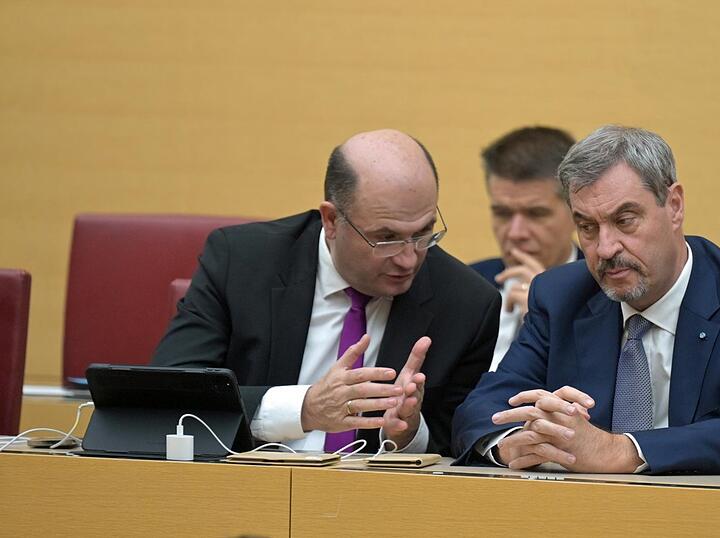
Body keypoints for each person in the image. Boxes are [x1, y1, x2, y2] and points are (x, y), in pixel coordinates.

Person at [452, 125, 720, 475]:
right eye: (586, 227)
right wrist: (512, 446)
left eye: (625, 220)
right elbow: (483, 407)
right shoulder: (561, 295)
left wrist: (623, 451)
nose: (605, 248)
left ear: (674, 206)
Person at [153, 129, 500, 456]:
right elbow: (171, 394)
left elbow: (459, 440)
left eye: (424, 233)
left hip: (379, 505)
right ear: (332, 221)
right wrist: (304, 409)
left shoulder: (467, 302)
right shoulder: (241, 262)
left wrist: (407, 433)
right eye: (387, 238)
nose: (409, 258)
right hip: (243, 490)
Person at [470, 127, 581, 370]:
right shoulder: (466, 288)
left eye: (536, 214)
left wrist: (545, 322)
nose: (515, 233)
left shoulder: (606, 292)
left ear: (576, 212)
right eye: (502, 213)